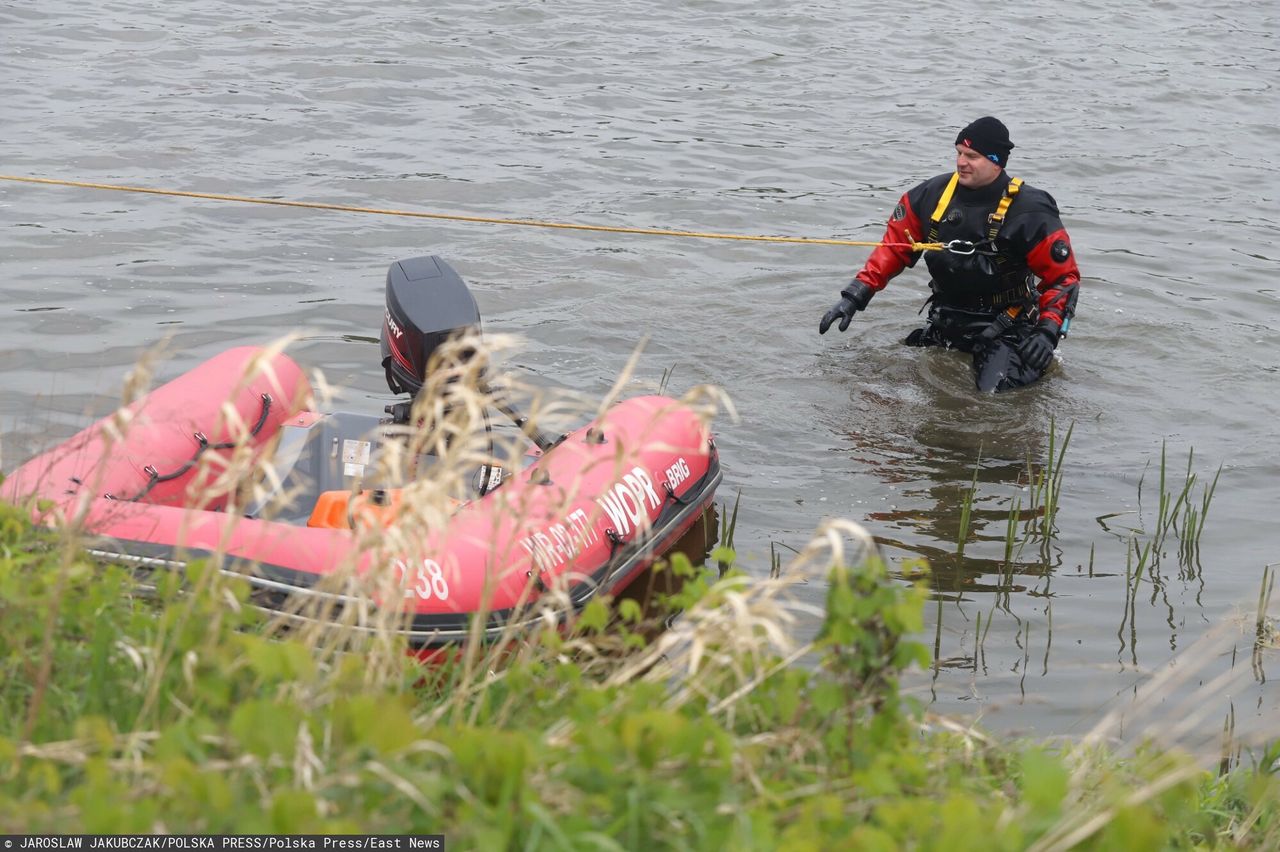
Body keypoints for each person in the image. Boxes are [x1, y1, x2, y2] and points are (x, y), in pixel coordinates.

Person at [818, 117, 1081, 392]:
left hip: (1007, 323)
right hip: (947, 317)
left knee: (994, 399)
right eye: (958, 153)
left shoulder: (1030, 209)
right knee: (875, 376)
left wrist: (1047, 332)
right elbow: (892, 250)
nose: (961, 162)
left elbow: (1064, 278)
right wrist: (854, 296)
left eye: (972, 156)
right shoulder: (928, 196)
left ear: (996, 161)